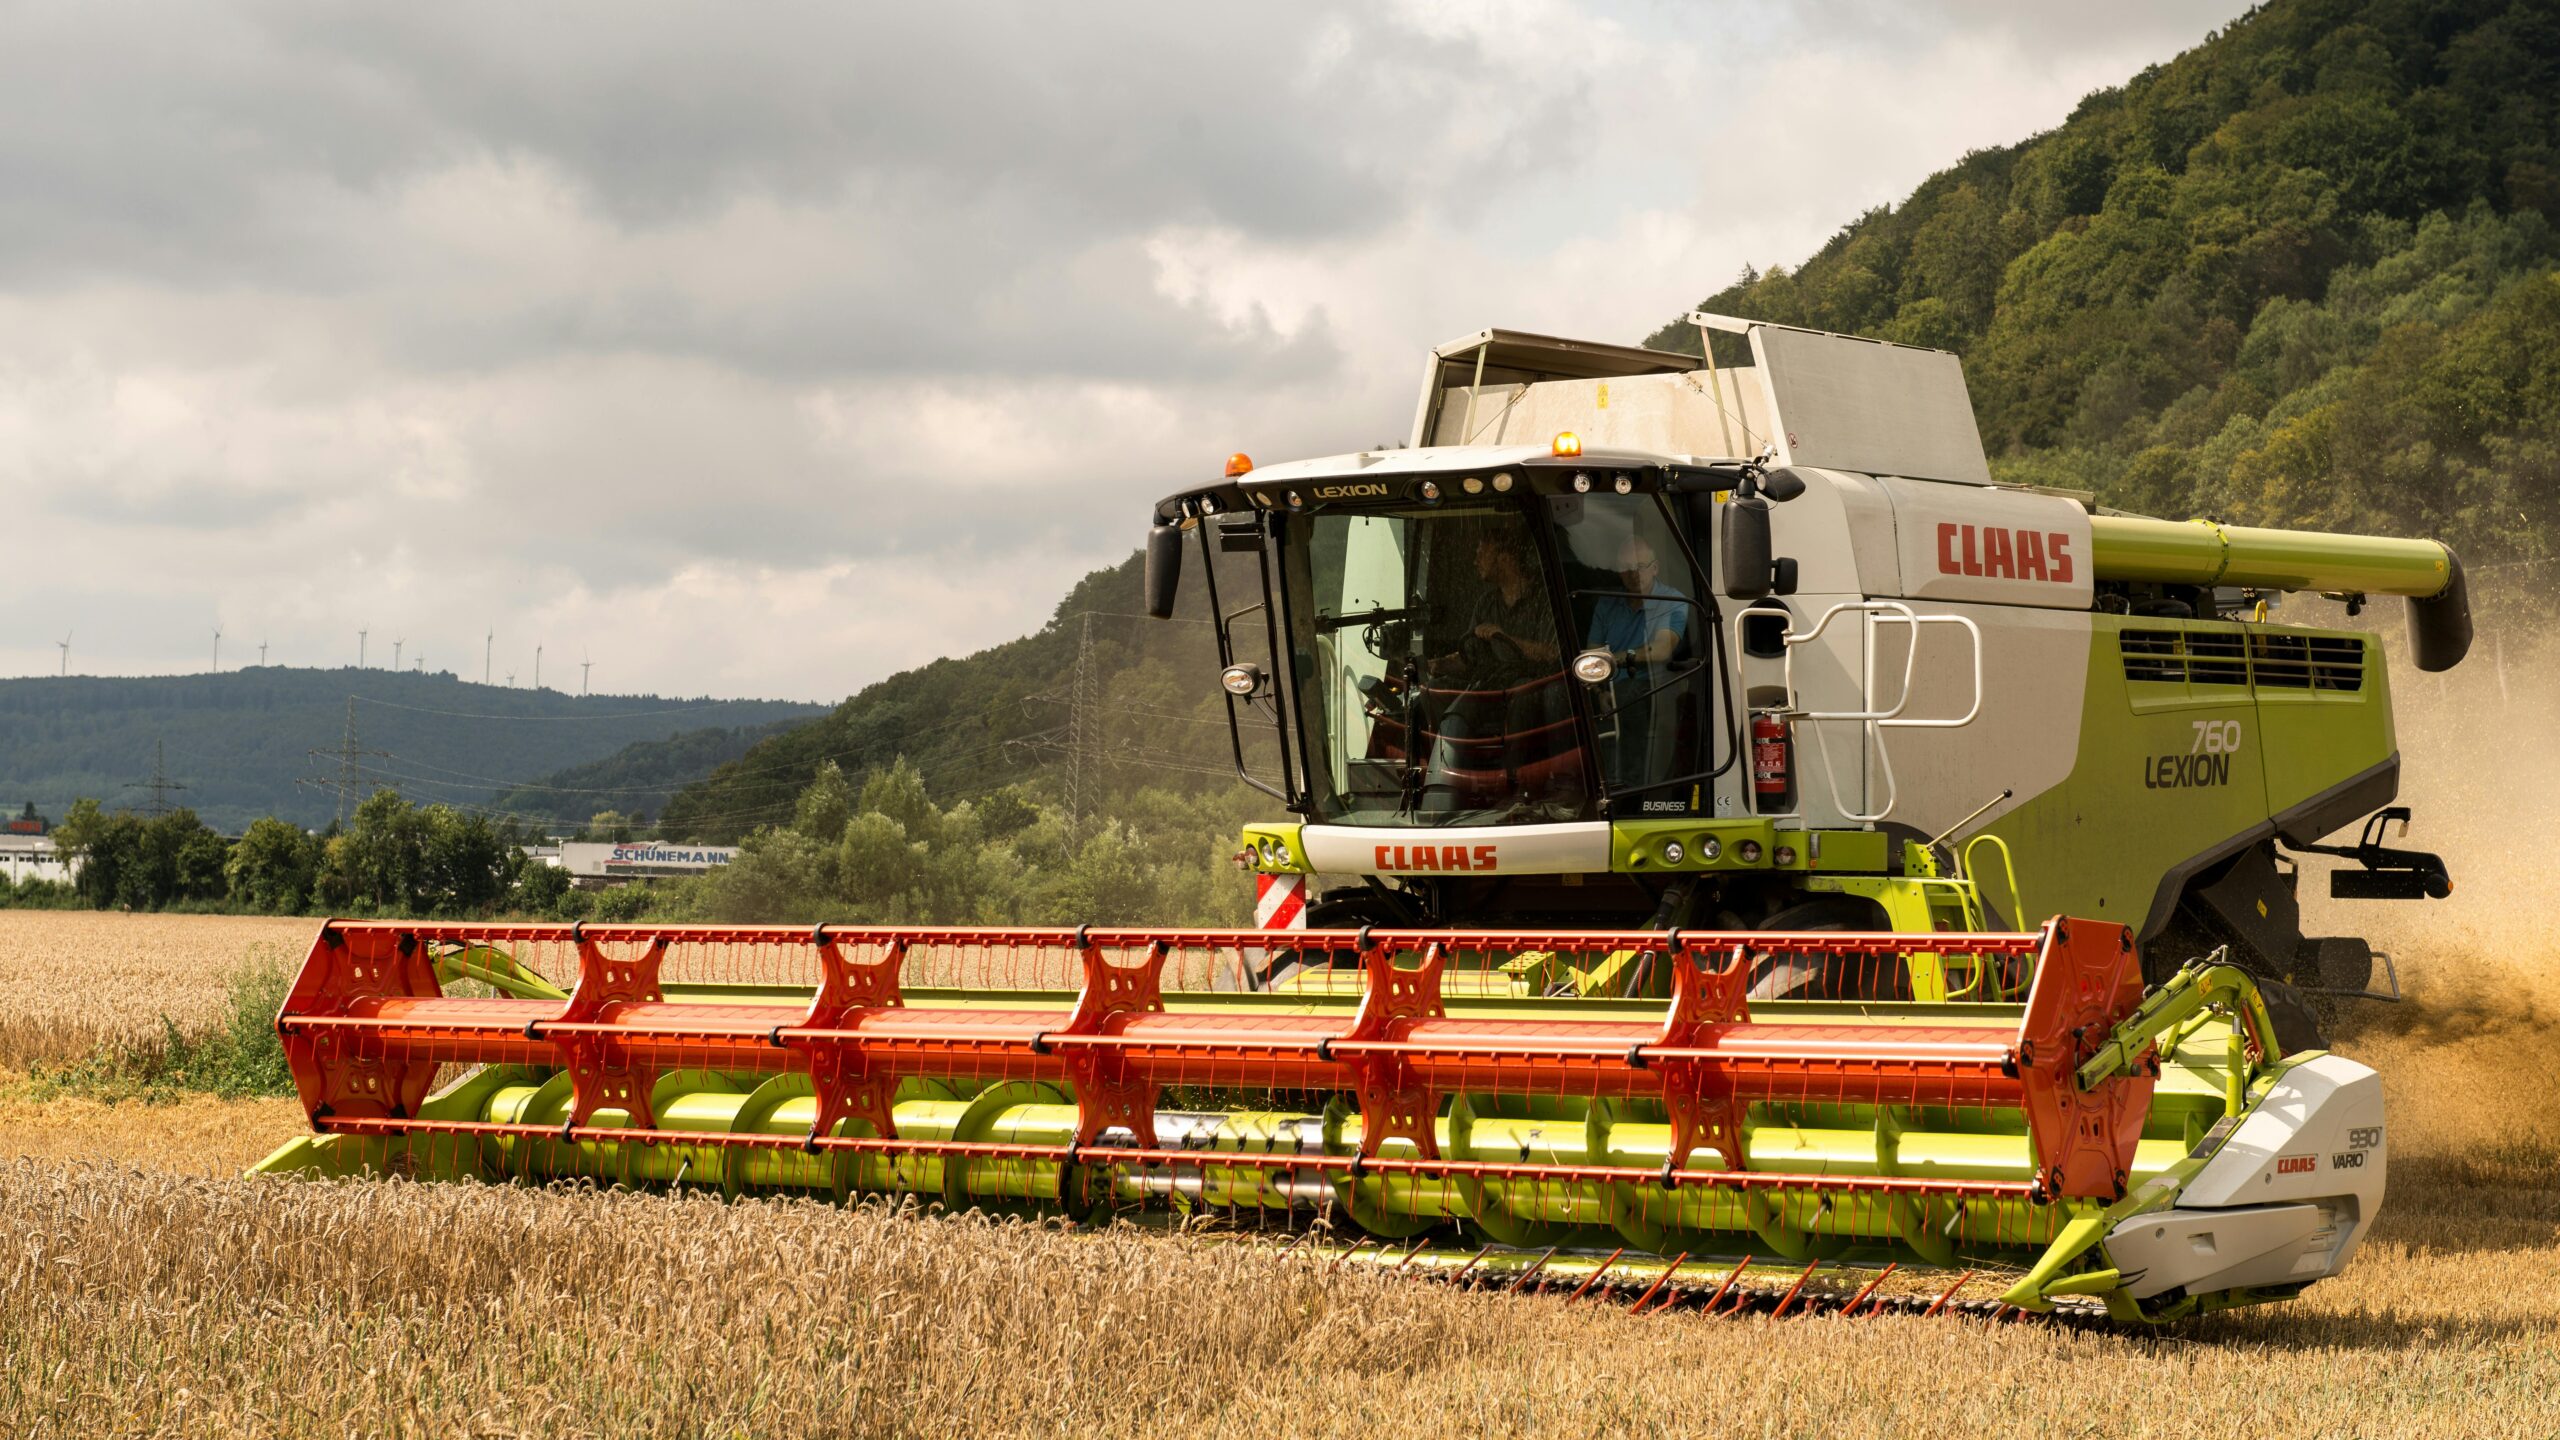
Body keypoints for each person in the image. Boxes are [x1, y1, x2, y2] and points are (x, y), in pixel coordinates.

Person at [1585, 536, 1689, 791]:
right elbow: (1591, 655)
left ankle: (1630, 787)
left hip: (1657, 685)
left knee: (1627, 696)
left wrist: (1619, 658)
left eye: (1641, 566)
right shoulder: (1607, 602)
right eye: (1628, 568)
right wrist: (1599, 692)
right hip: (1607, 686)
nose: (1635, 574)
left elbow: (1662, 649)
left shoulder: (1672, 600)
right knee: (1562, 697)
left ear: (1655, 568)